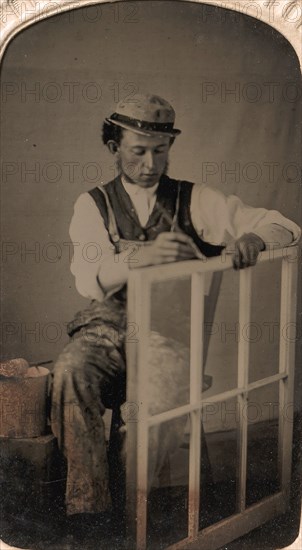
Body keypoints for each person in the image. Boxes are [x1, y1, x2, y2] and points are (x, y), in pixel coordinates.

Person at [50, 94, 300, 537]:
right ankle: (91, 515)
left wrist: (255, 240)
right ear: (114, 147)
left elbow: (283, 223)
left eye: (160, 151)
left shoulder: (195, 199)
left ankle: (132, 523)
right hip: (107, 328)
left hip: (169, 336)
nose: (150, 163)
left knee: (148, 406)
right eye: (138, 150)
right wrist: (140, 258)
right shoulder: (93, 204)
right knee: (70, 372)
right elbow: (87, 280)